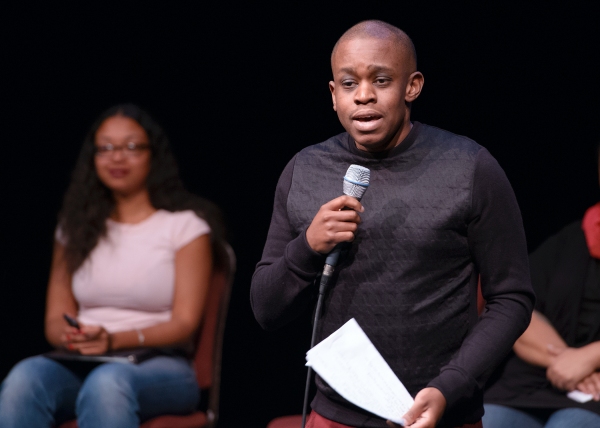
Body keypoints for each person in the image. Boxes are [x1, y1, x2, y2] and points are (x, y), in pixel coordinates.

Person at [250, 20, 535, 428]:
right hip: (335, 414)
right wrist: (307, 246)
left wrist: (448, 387)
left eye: (380, 80)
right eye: (348, 84)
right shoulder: (305, 170)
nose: (364, 95)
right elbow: (265, 309)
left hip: (440, 411)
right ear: (333, 95)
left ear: (412, 86)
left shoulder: (470, 168)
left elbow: (511, 299)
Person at [0, 104, 224, 428]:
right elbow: (53, 321)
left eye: (130, 147)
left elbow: (184, 323)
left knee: (106, 384)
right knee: (24, 380)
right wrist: (77, 337)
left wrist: (113, 339)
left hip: (161, 364)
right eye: (105, 148)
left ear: (153, 154)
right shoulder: (74, 230)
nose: (116, 157)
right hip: (82, 358)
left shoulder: (185, 227)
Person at [483, 154, 600, 427]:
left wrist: (590, 356)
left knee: (570, 424)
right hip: (535, 382)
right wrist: (568, 363)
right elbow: (518, 307)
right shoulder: (573, 239)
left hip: (596, 394)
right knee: (491, 421)